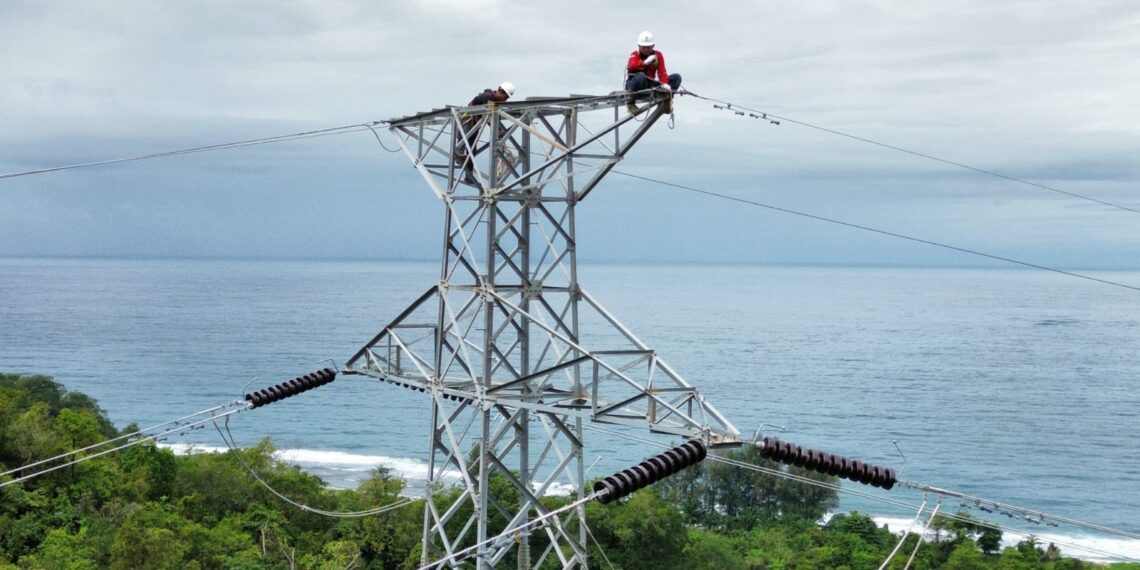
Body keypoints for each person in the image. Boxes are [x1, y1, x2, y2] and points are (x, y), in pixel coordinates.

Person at [456, 82, 516, 183]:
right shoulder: (486, 97)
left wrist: (499, 131)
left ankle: (468, 175)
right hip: (467, 119)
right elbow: (489, 116)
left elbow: (493, 118)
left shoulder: (495, 102)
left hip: (475, 122)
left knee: (472, 150)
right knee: (463, 139)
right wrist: (498, 130)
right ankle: (458, 153)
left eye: (506, 98)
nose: (505, 100)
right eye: (505, 97)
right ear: (501, 91)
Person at [625, 31, 681, 114]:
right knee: (641, 76)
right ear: (639, 46)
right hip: (636, 84)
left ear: (653, 46)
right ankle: (630, 103)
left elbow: (662, 72)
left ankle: (666, 101)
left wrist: (664, 84)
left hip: (650, 84)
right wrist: (644, 63)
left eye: (648, 47)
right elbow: (631, 65)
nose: (646, 49)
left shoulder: (658, 55)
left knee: (676, 78)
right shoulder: (635, 54)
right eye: (643, 47)